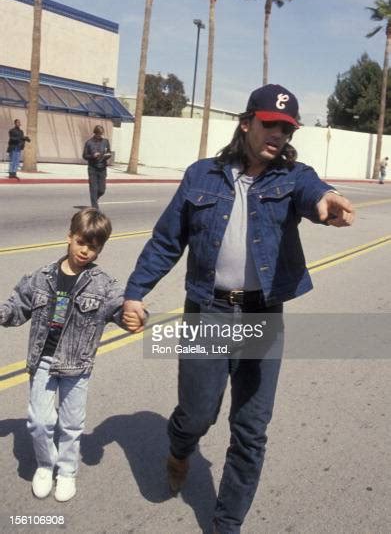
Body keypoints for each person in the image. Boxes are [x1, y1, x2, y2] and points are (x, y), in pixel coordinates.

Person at [123, 84, 355, 533]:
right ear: (247, 122)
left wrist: (326, 203)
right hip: (208, 310)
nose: (279, 135)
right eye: (271, 124)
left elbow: (314, 192)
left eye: (287, 129)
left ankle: (227, 524)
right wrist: (135, 292)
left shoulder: (292, 176)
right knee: (197, 414)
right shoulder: (201, 176)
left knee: (251, 430)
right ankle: (179, 447)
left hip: (262, 314)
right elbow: (167, 241)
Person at [0, 209, 141, 502]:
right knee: (39, 422)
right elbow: (17, 307)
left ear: (100, 248)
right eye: (81, 242)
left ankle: (66, 471)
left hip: (76, 365)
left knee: (71, 424)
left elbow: (120, 305)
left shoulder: (102, 284)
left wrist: (134, 316)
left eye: (94, 247)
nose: (86, 251)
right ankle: (45, 465)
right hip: (42, 361)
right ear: (69, 237)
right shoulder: (41, 277)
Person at [82, 125, 112, 209]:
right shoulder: (89, 143)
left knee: (102, 190)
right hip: (93, 168)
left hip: (102, 168)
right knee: (93, 189)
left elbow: (109, 152)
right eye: (99, 134)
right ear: (95, 133)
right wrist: (93, 156)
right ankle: (95, 208)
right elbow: (84, 156)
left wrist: (107, 155)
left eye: (102, 134)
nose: (100, 136)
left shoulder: (105, 142)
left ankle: (95, 198)